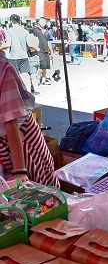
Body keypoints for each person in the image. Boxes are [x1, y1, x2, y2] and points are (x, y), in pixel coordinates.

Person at [0, 51, 59, 186]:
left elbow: (11, 122)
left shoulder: (4, 71)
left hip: (22, 143)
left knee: (39, 192)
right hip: (6, 145)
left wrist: (19, 171)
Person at [3, 14, 30, 80]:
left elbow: (8, 44)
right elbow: (28, 44)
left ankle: (18, 89)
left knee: (15, 76)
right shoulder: (25, 31)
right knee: (25, 74)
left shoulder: (8, 31)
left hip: (13, 56)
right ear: (19, 21)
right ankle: (27, 89)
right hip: (24, 56)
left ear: (11, 21)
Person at [34, 18, 52, 85]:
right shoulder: (35, 30)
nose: (44, 23)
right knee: (43, 65)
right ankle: (36, 77)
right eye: (42, 22)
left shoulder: (46, 31)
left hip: (46, 50)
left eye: (44, 22)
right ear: (38, 22)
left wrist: (51, 51)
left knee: (46, 65)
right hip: (40, 50)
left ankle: (43, 80)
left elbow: (48, 42)